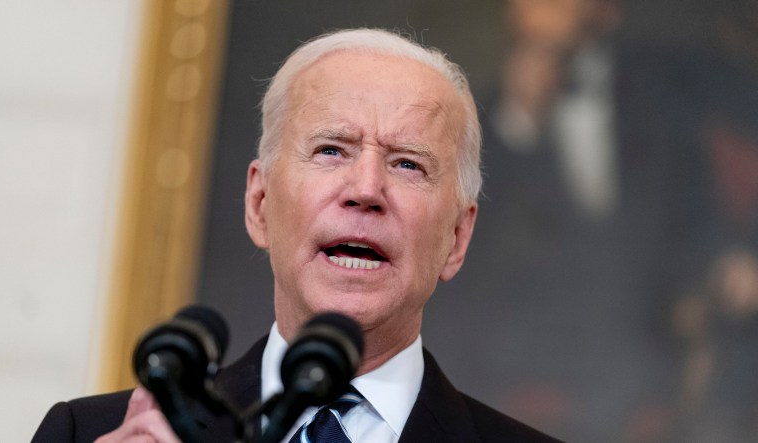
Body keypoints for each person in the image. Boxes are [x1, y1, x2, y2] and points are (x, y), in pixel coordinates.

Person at [32, 28, 561, 442]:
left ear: (457, 237)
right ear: (260, 204)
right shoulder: (87, 434)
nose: (366, 188)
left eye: (407, 164)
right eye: (331, 150)